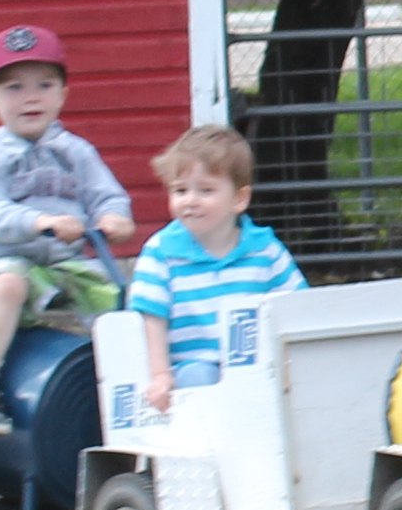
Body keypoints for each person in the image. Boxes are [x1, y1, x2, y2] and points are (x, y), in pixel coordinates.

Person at [0, 24, 137, 418]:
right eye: (14, 88)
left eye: (44, 84)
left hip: (66, 264)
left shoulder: (76, 151)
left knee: (121, 297)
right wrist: (40, 222)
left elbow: (105, 194)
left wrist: (114, 219)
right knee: (8, 285)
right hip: (11, 259)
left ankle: (127, 383)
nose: (30, 97)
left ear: (62, 95)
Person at [112, 123, 307, 427]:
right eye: (180, 190)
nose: (190, 200)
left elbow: (296, 305)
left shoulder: (264, 250)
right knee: (203, 377)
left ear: (239, 200)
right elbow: (152, 317)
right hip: (191, 369)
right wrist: (161, 374)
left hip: (255, 368)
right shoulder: (163, 252)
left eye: (205, 190)